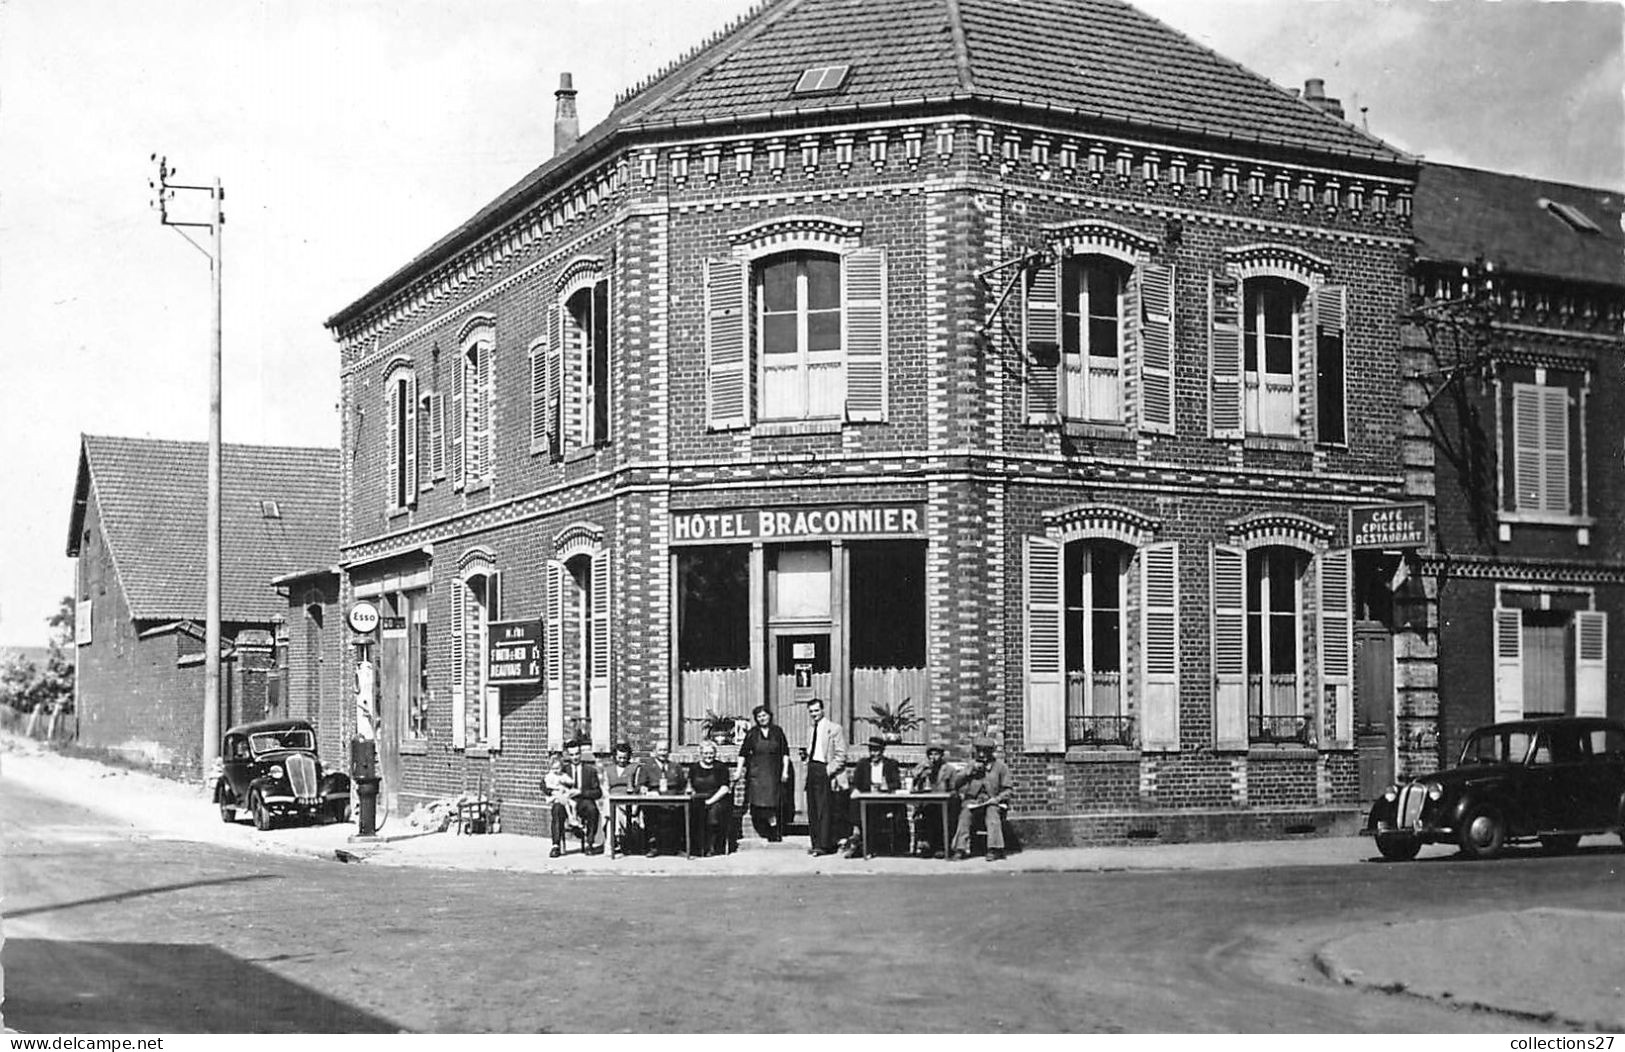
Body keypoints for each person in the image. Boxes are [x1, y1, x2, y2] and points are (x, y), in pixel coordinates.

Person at [950, 738, 1014, 861]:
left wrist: (997, 798)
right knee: (965, 816)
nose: (981, 754)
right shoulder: (971, 765)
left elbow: (1008, 790)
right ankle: (960, 849)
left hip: (991, 800)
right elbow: (955, 784)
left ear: (991, 752)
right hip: (973, 801)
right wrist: (968, 772)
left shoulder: (1001, 767)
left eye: (985, 751)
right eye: (979, 751)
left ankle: (993, 849)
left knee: (992, 815)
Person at [736, 704, 791, 842]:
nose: (762, 718)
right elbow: (742, 753)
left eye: (764, 715)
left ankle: (774, 830)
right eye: (759, 716)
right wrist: (738, 771)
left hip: (773, 772)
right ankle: (767, 829)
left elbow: (785, 753)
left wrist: (785, 771)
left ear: (769, 716)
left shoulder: (777, 732)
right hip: (757, 773)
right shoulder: (752, 733)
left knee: (772, 802)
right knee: (759, 803)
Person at [802, 697, 847, 856]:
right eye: (811, 711)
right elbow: (813, 749)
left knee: (824, 809)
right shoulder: (810, 729)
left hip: (825, 770)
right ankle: (815, 843)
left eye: (816, 710)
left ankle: (824, 845)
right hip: (812, 769)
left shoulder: (834, 728)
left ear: (822, 710)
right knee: (813, 809)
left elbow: (841, 755)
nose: (814, 714)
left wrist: (828, 771)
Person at [846, 736, 904, 858]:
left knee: (879, 812)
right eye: (872, 750)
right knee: (855, 801)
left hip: (884, 801)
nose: (874, 754)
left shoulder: (890, 764)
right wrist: (857, 790)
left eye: (877, 751)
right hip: (868, 799)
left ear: (882, 751)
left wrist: (886, 786)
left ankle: (868, 846)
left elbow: (897, 783)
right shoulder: (863, 764)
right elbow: (856, 783)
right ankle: (857, 834)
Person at [549, 739, 603, 858]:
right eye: (572, 755)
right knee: (557, 808)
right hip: (566, 801)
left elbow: (598, 792)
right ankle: (556, 845)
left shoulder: (590, 770)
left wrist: (580, 792)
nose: (575, 757)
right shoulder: (562, 770)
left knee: (592, 809)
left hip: (582, 801)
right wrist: (555, 793)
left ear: (581, 754)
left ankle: (589, 843)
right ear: (568, 755)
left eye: (577, 754)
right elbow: (544, 784)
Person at [635, 740, 688, 857]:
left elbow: (682, 786)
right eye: (660, 750)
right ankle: (653, 847)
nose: (663, 753)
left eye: (665, 750)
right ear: (655, 752)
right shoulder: (647, 767)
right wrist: (644, 789)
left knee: (680, 813)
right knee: (651, 813)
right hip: (654, 802)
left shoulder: (676, 767)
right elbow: (640, 785)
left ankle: (677, 847)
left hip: (673, 801)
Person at [687, 741, 735, 857]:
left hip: (717, 798)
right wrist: (690, 792)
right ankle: (696, 848)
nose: (709, 756)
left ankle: (712, 847)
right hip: (699, 798)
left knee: (713, 813)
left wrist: (710, 801)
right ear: (701, 754)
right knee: (689, 813)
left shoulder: (721, 767)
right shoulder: (694, 768)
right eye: (706, 753)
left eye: (711, 753)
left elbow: (724, 788)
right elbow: (690, 785)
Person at [911, 743, 955, 859]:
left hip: (944, 802)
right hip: (927, 801)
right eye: (930, 755)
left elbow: (954, 788)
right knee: (926, 812)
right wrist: (921, 773)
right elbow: (914, 782)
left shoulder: (949, 769)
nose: (933, 758)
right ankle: (927, 846)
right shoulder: (924, 768)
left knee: (938, 813)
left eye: (936, 754)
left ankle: (940, 846)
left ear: (941, 756)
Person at [603, 742, 641, 854]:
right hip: (612, 800)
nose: (622, 760)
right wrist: (610, 797)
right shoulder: (609, 769)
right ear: (615, 756)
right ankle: (615, 840)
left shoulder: (634, 768)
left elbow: (637, 787)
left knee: (613, 810)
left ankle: (611, 843)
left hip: (628, 801)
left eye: (625, 757)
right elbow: (605, 788)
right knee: (610, 804)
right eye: (619, 757)